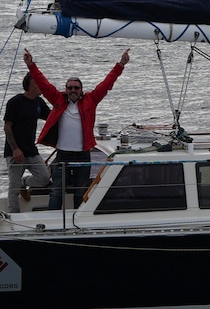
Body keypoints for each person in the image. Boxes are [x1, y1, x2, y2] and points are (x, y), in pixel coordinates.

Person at [24, 48, 130, 210]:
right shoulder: (57, 99)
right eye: (70, 88)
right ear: (66, 90)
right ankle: (53, 221)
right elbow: (43, 83)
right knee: (57, 191)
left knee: (81, 192)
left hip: (83, 154)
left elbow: (106, 84)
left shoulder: (91, 100)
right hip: (62, 154)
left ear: (81, 90)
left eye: (76, 88)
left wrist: (121, 64)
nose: (73, 90)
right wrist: (31, 64)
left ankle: (77, 222)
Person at [3, 72, 51, 213]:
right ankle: (14, 215)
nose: (43, 85)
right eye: (40, 83)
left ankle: (24, 182)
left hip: (31, 150)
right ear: (32, 84)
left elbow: (51, 118)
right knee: (14, 188)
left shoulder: (39, 102)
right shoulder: (15, 102)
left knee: (44, 178)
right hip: (15, 151)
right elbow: (7, 127)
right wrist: (15, 148)